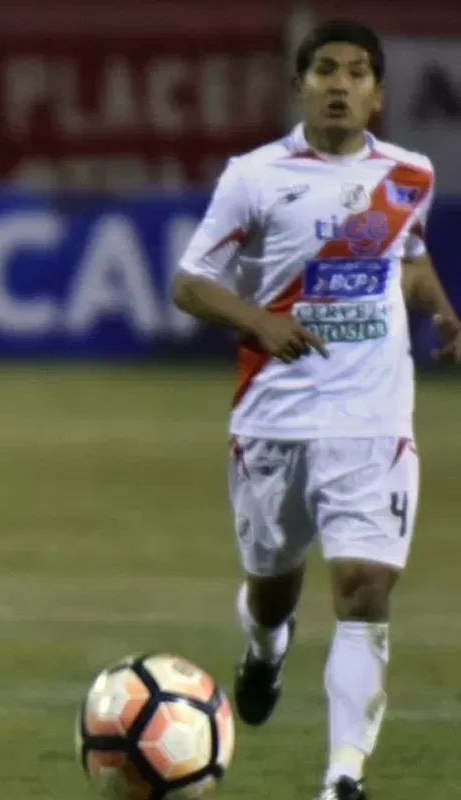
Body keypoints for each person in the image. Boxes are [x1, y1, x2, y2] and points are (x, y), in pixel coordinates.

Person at [172, 20, 460, 800]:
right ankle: (266, 648)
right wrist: (260, 323)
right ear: (300, 85)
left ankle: (342, 778)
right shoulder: (256, 177)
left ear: (379, 94)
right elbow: (190, 282)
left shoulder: (409, 175)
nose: (340, 84)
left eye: (357, 72)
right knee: (274, 586)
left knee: (365, 588)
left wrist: (440, 311)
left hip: (373, 420)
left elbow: (408, 254)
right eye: (325, 70)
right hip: (274, 420)